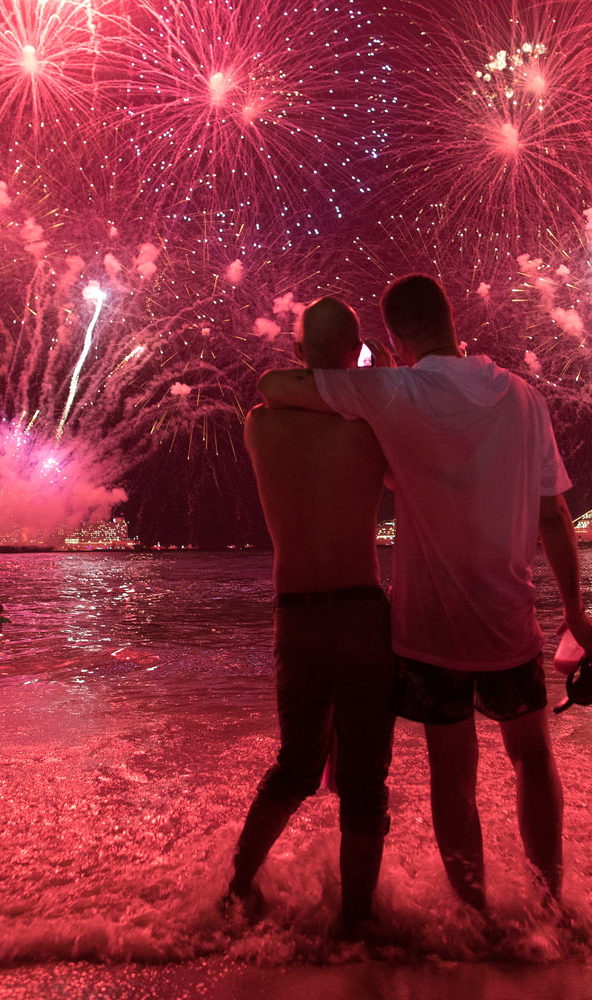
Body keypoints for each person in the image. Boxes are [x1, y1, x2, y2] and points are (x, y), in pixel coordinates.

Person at [258, 275, 592, 913]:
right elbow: (554, 517)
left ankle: (477, 915)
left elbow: (277, 387)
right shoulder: (523, 397)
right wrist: (576, 613)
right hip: (511, 619)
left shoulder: (397, 392)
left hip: (433, 630)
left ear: (395, 336)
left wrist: (378, 374)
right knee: (531, 756)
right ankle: (551, 907)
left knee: (454, 773)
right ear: (450, 319)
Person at [227, 296, 397, 933]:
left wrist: (317, 370)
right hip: (361, 612)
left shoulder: (260, 426)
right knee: (364, 784)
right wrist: (363, 377)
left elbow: (281, 389)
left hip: (294, 616)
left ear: (297, 354)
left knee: (295, 766)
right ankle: (356, 925)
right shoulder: (370, 426)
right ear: (354, 355)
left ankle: (235, 891)